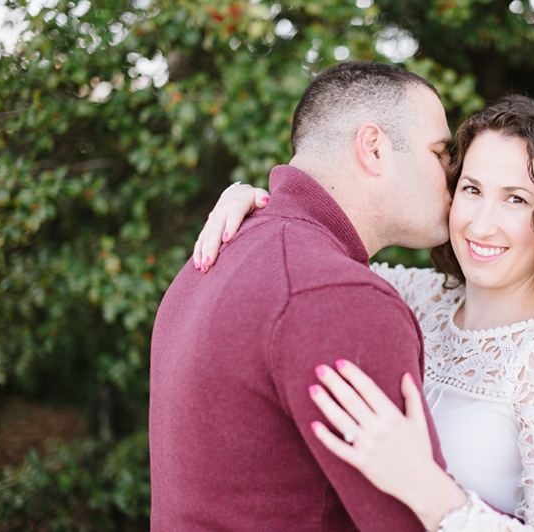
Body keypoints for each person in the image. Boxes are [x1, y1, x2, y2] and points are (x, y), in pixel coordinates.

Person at [196, 95, 534, 531]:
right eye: (472, 189)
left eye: (516, 199)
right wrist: (257, 202)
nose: (481, 223)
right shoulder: (419, 296)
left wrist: (425, 486)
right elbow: (313, 255)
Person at [149, 61, 468, 531]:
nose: (453, 175)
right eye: (440, 152)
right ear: (374, 148)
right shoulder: (340, 298)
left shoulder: (220, 252)